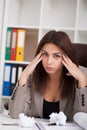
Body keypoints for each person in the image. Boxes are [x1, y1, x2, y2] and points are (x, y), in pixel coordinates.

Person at [9, 30, 87, 121]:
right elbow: (15, 114)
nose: (49, 62)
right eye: (45, 54)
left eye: (56, 56)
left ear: (68, 57)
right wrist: (23, 76)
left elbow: (84, 119)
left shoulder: (83, 75)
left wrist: (82, 81)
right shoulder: (32, 75)